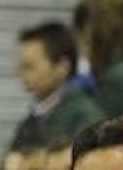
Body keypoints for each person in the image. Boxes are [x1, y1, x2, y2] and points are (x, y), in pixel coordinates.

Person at [9, 21, 105, 152]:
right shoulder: (31, 120)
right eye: (21, 67)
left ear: (62, 66)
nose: (21, 74)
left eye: (30, 67)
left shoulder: (86, 116)